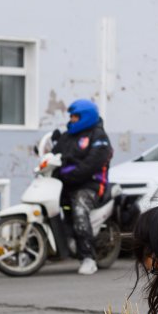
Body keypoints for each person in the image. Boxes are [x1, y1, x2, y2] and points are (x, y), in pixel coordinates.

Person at [52, 99, 112, 275]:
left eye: (75, 116)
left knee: (79, 209)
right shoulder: (67, 136)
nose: (72, 119)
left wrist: (71, 175)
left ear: (86, 116)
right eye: (71, 116)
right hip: (66, 183)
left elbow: (93, 163)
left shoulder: (98, 136)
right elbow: (54, 154)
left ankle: (88, 258)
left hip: (90, 185)